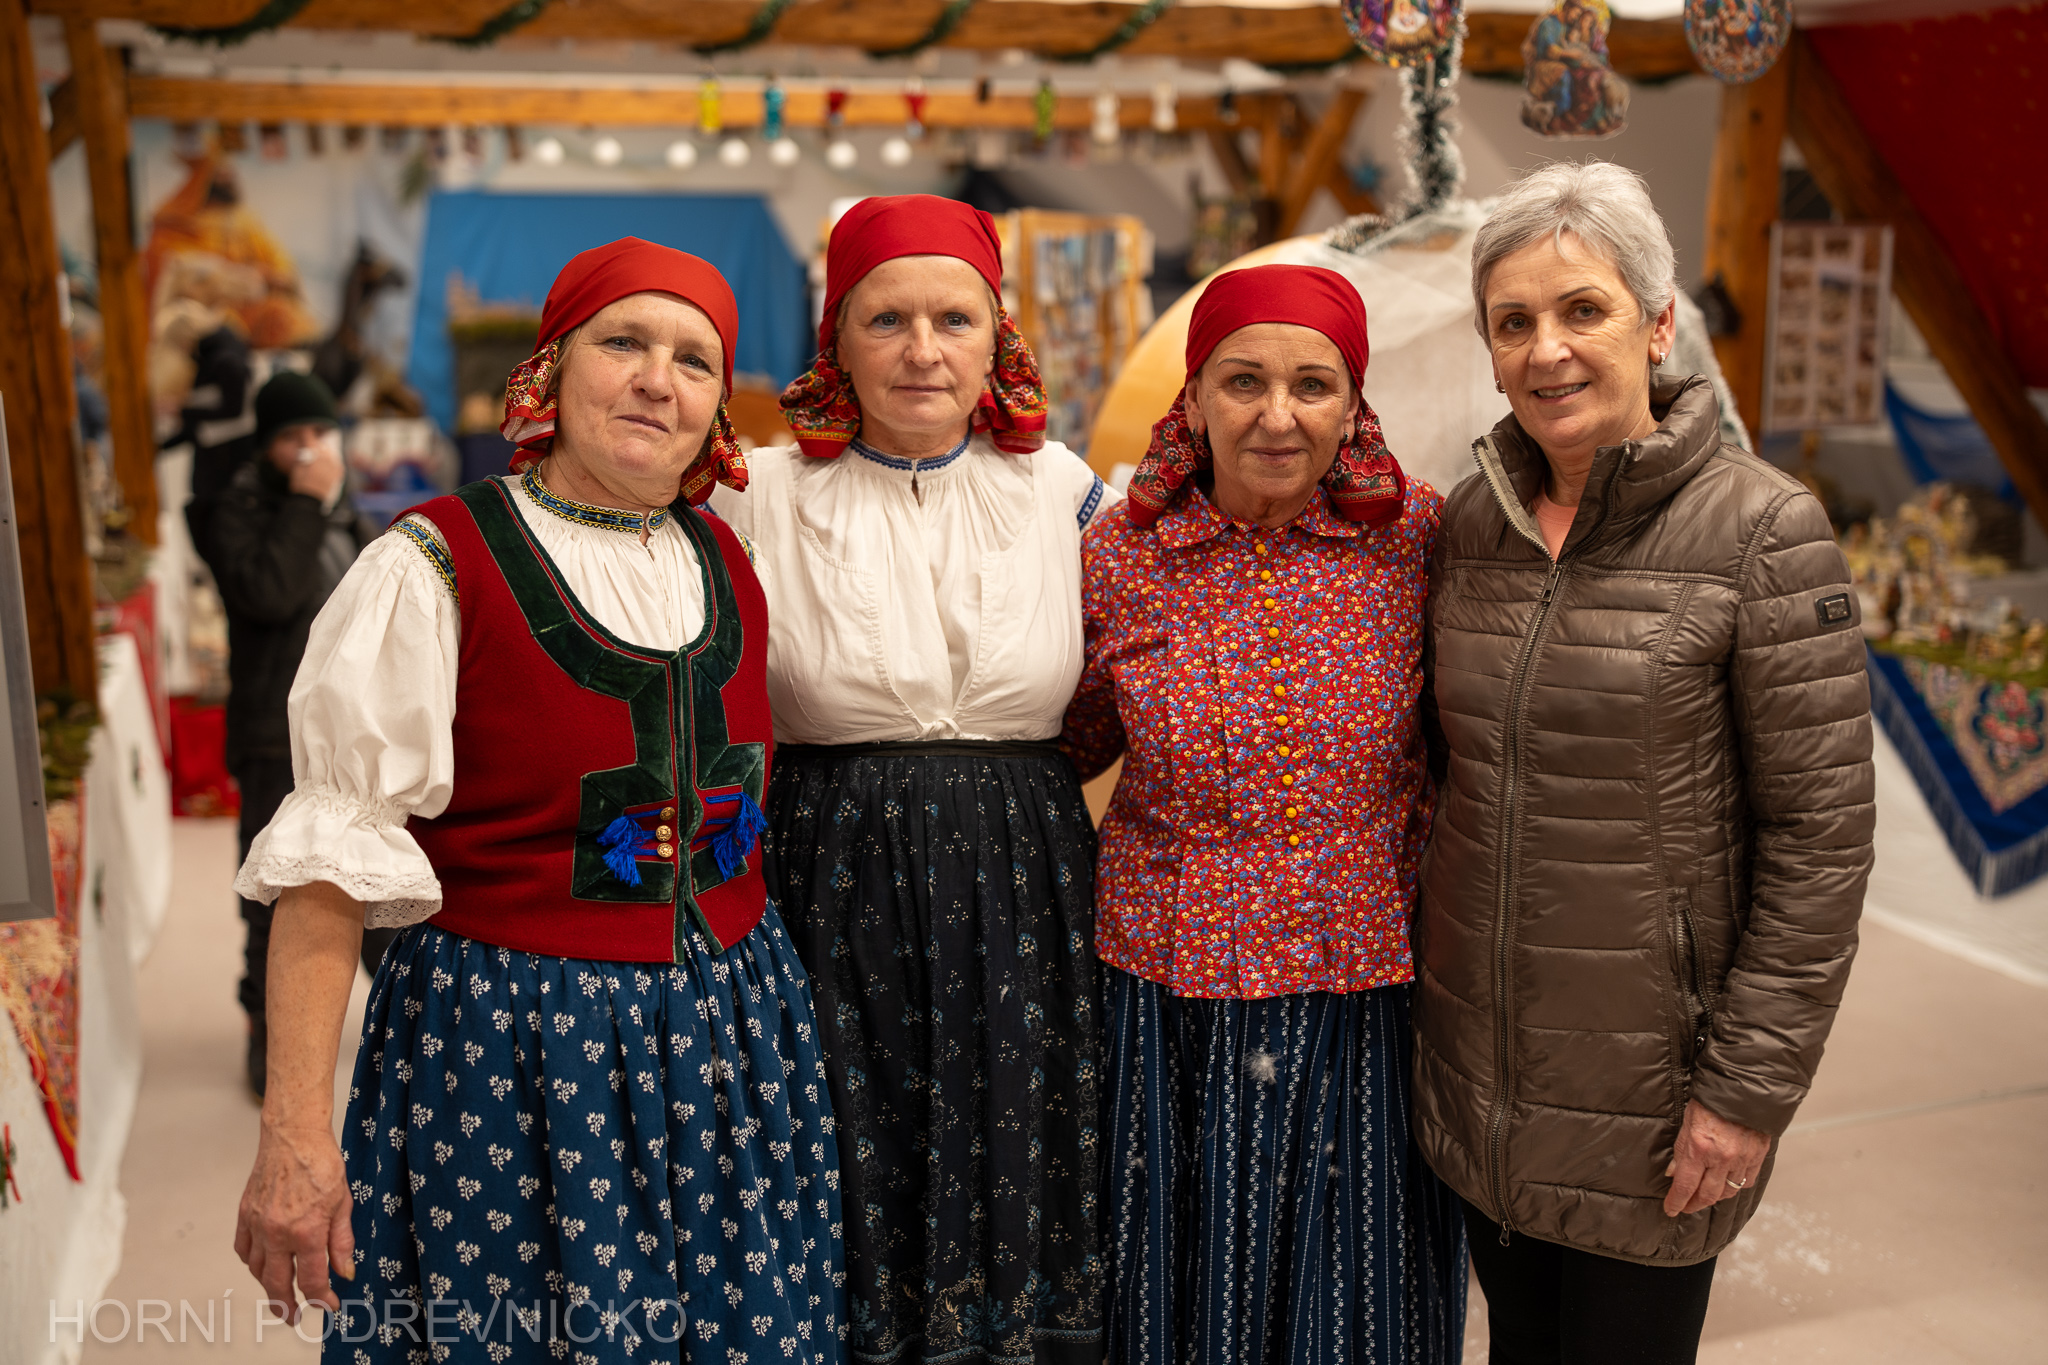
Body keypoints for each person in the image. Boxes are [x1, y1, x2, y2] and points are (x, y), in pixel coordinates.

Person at [230, 239, 845, 1362]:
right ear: (551, 372)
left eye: (694, 360)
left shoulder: (733, 555)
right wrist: (294, 1136)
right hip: (514, 1053)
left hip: (734, 1043)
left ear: (718, 405)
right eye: (624, 343)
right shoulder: (433, 565)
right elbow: (328, 864)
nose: (657, 380)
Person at [1415, 161, 1874, 1365]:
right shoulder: (1470, 524)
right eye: (1511, 321)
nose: (1545, 350)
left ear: (1657, 325)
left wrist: (1745, 1091)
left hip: (1653, 1095)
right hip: (1478, 1073)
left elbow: (1819, 844)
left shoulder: (1762, 532)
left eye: (1583, 310)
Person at [709, 194, 1114, 1365]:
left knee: (1021, 1132)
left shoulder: (1061, 492)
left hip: (1028, 879)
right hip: (830, 874)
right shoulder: (755, 495)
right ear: (835, 340)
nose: (922, 350)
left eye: (953, 320)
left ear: (997, 340)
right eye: (886, 320)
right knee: (848, 1139)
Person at [1060, 263, 1468, 1365]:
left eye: (1312, 385)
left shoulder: (1416, 540)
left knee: (1358, 1294)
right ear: (1192, 399)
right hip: (1167, 989)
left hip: (1362, 983)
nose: (1277, 416)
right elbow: (1070, 742)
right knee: (1183, 1276)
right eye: (1242, 381)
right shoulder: (1121, 554)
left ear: (1354, 405)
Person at [200, 369, 390, 1096]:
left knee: (376, 879)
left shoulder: (345, 511)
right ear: (266, 444)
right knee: (276, 890)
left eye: (320, 432)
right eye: (292, 436)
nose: (309, 448)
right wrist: (308, 502)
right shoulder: (241, 509)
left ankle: (404, 1025)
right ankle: (270, 1031)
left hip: (352, 731)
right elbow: (269, 592)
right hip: (272, 732)